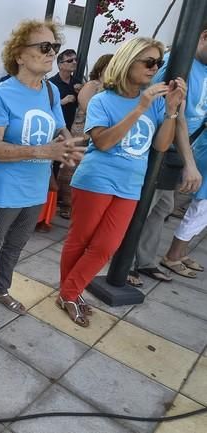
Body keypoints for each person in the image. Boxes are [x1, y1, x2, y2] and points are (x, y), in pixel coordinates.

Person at [60, 37, 184, 326]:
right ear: (128, 61)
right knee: (80, 241)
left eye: (159, 63)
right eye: (149, 62)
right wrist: (139, 108)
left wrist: (171, 111)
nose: (155, 68)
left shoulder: (155, 102)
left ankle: (68, 292)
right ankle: (71, 294)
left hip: (130, 185)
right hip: (96, 180)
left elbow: (161, 146)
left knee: (106, 246)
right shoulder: (103, 99)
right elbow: (102, 143)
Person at [0, 20, 85, 330]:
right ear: (20, 54)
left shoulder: (49, 91)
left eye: (54, 48)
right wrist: (42, 152)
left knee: (16, 246)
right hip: (6, 189)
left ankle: (1, 288)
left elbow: (60, 127)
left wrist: (68, 144)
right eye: (44, 47)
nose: (51, 53)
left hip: (35, 189)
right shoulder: (3, 94)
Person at [156, 27, 207, 280]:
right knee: (151, 207)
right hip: (164, 145)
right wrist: (190, 161)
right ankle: (130, 261)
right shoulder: (179, 62)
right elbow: (177, 114)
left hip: (185, 147)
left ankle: (144, 259)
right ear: (205, 36)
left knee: (162, 207)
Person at [58, 54, 113, 220]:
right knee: (71, 167)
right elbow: (86, 104)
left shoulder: (112, 88)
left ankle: (78, 204)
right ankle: (66, 204)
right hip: (81, 131)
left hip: (99, 133)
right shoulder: (92, 85)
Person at [49, 49, 83, 131]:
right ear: (60, 65)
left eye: (76, 60)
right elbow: (44, 106)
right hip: (55, 127)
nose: (74, 62)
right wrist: (62, 101)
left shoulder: (77, 83)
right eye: (70, 60)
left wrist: (82, 94)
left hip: (72, 128)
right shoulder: (51, 83)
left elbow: (82, 107)